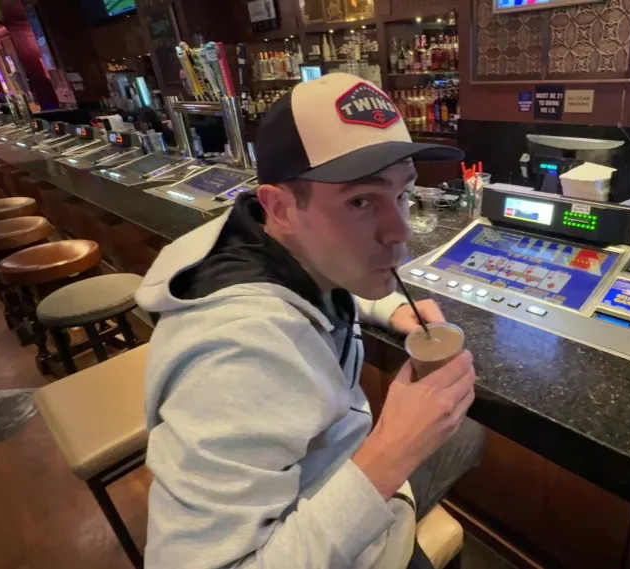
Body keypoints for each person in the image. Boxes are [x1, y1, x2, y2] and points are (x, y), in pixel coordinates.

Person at [136, 72, 485, 569]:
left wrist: (389, 306)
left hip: (335, 476)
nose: (400, 232)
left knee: (467, 434)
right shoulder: (238, 355)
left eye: (403, 194)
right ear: (280, 207)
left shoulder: (271, 242)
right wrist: (391, 454)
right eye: (361, 201)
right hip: (339, 534)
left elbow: (319, 276)